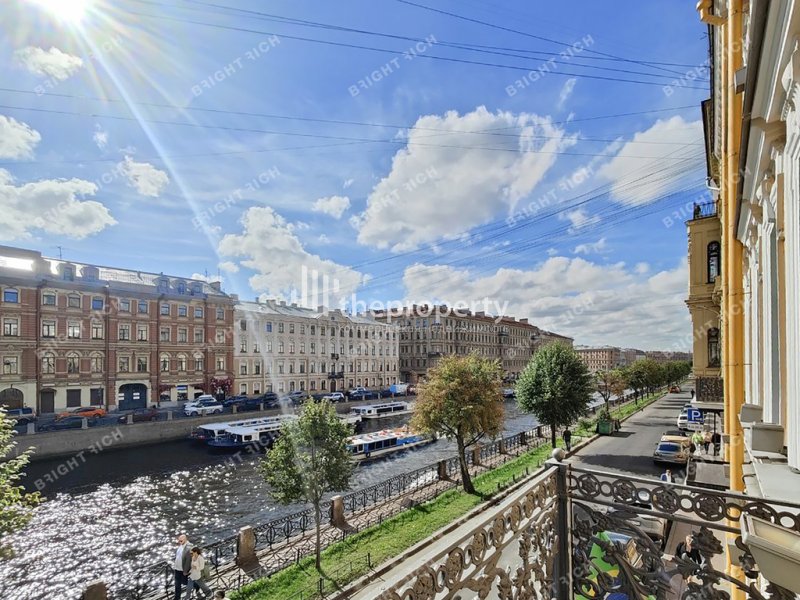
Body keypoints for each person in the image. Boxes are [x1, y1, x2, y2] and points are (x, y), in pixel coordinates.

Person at [173, 534, 192, 600]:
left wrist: (185, 571)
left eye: (181, 541)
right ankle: (177, 598)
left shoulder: (188, 547)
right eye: (179, 541)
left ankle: (197, 585)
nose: (179, 542)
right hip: (177, 569)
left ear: (185, 540)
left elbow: (188, 560)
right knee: (177, 584)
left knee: (185, 582)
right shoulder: (181, 546)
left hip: (183, 570)